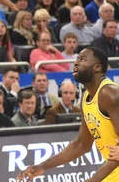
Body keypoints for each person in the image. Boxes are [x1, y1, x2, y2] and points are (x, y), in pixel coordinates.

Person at [17, 48, 119, 181]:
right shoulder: (86, 97)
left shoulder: (110, 94)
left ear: (97, 67)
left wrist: (93, 180)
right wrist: (43, 166)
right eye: (76, 59)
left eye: (82, 59)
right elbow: (81, 144)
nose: (76, 63)